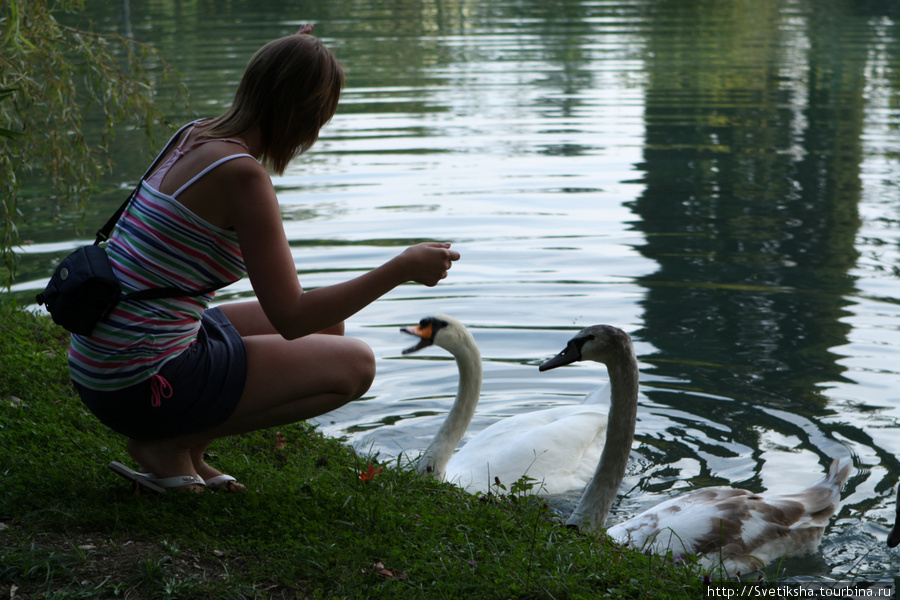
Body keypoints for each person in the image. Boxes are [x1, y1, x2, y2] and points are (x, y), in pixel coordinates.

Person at [68, 27, 460, 493]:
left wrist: (295, 55)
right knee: (356, 364)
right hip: (139, 377)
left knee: (328, 330)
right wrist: (400, 269)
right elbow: (291, 317)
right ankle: (167, 444)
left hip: (102, 357)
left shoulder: (192, 135)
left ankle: (186, 448)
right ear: (304, 117)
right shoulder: (242, 177)